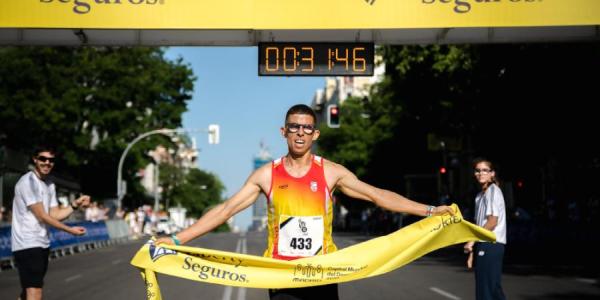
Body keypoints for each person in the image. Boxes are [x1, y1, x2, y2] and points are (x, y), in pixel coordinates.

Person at [157, 104, 454, 300]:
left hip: (322, 274)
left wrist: (429, 210)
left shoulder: (330, 172)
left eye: (307, 128)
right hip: (282, 275)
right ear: (284, 132)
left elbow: (377, 195)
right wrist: (174, 238)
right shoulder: (266, 174)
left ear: (315, 134)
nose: (300, 133)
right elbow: (226, 210)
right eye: (294, 127)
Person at [11, 146, 91, 300]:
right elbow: (42, 216)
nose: (47, 163)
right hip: (27, 243)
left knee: (27, 292)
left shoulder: (49, 183)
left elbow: (54, 215)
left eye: (51, 160)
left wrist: (75, 204)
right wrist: (70, 230)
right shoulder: (28, 182)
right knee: (35, 292)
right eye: (43, 159)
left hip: (42, 242)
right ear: (35, 159)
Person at [464, 158, 507, 300]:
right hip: (483, 244)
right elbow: (478, 224)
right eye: (477, 170)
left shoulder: (493, 191)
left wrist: (472, 241)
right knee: (486, 288)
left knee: (489, 289)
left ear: (492, 174)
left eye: (484, 170)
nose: (480, 173)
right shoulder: (479, 196)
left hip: (492, 244)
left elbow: (492, 222)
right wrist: (472, 250)